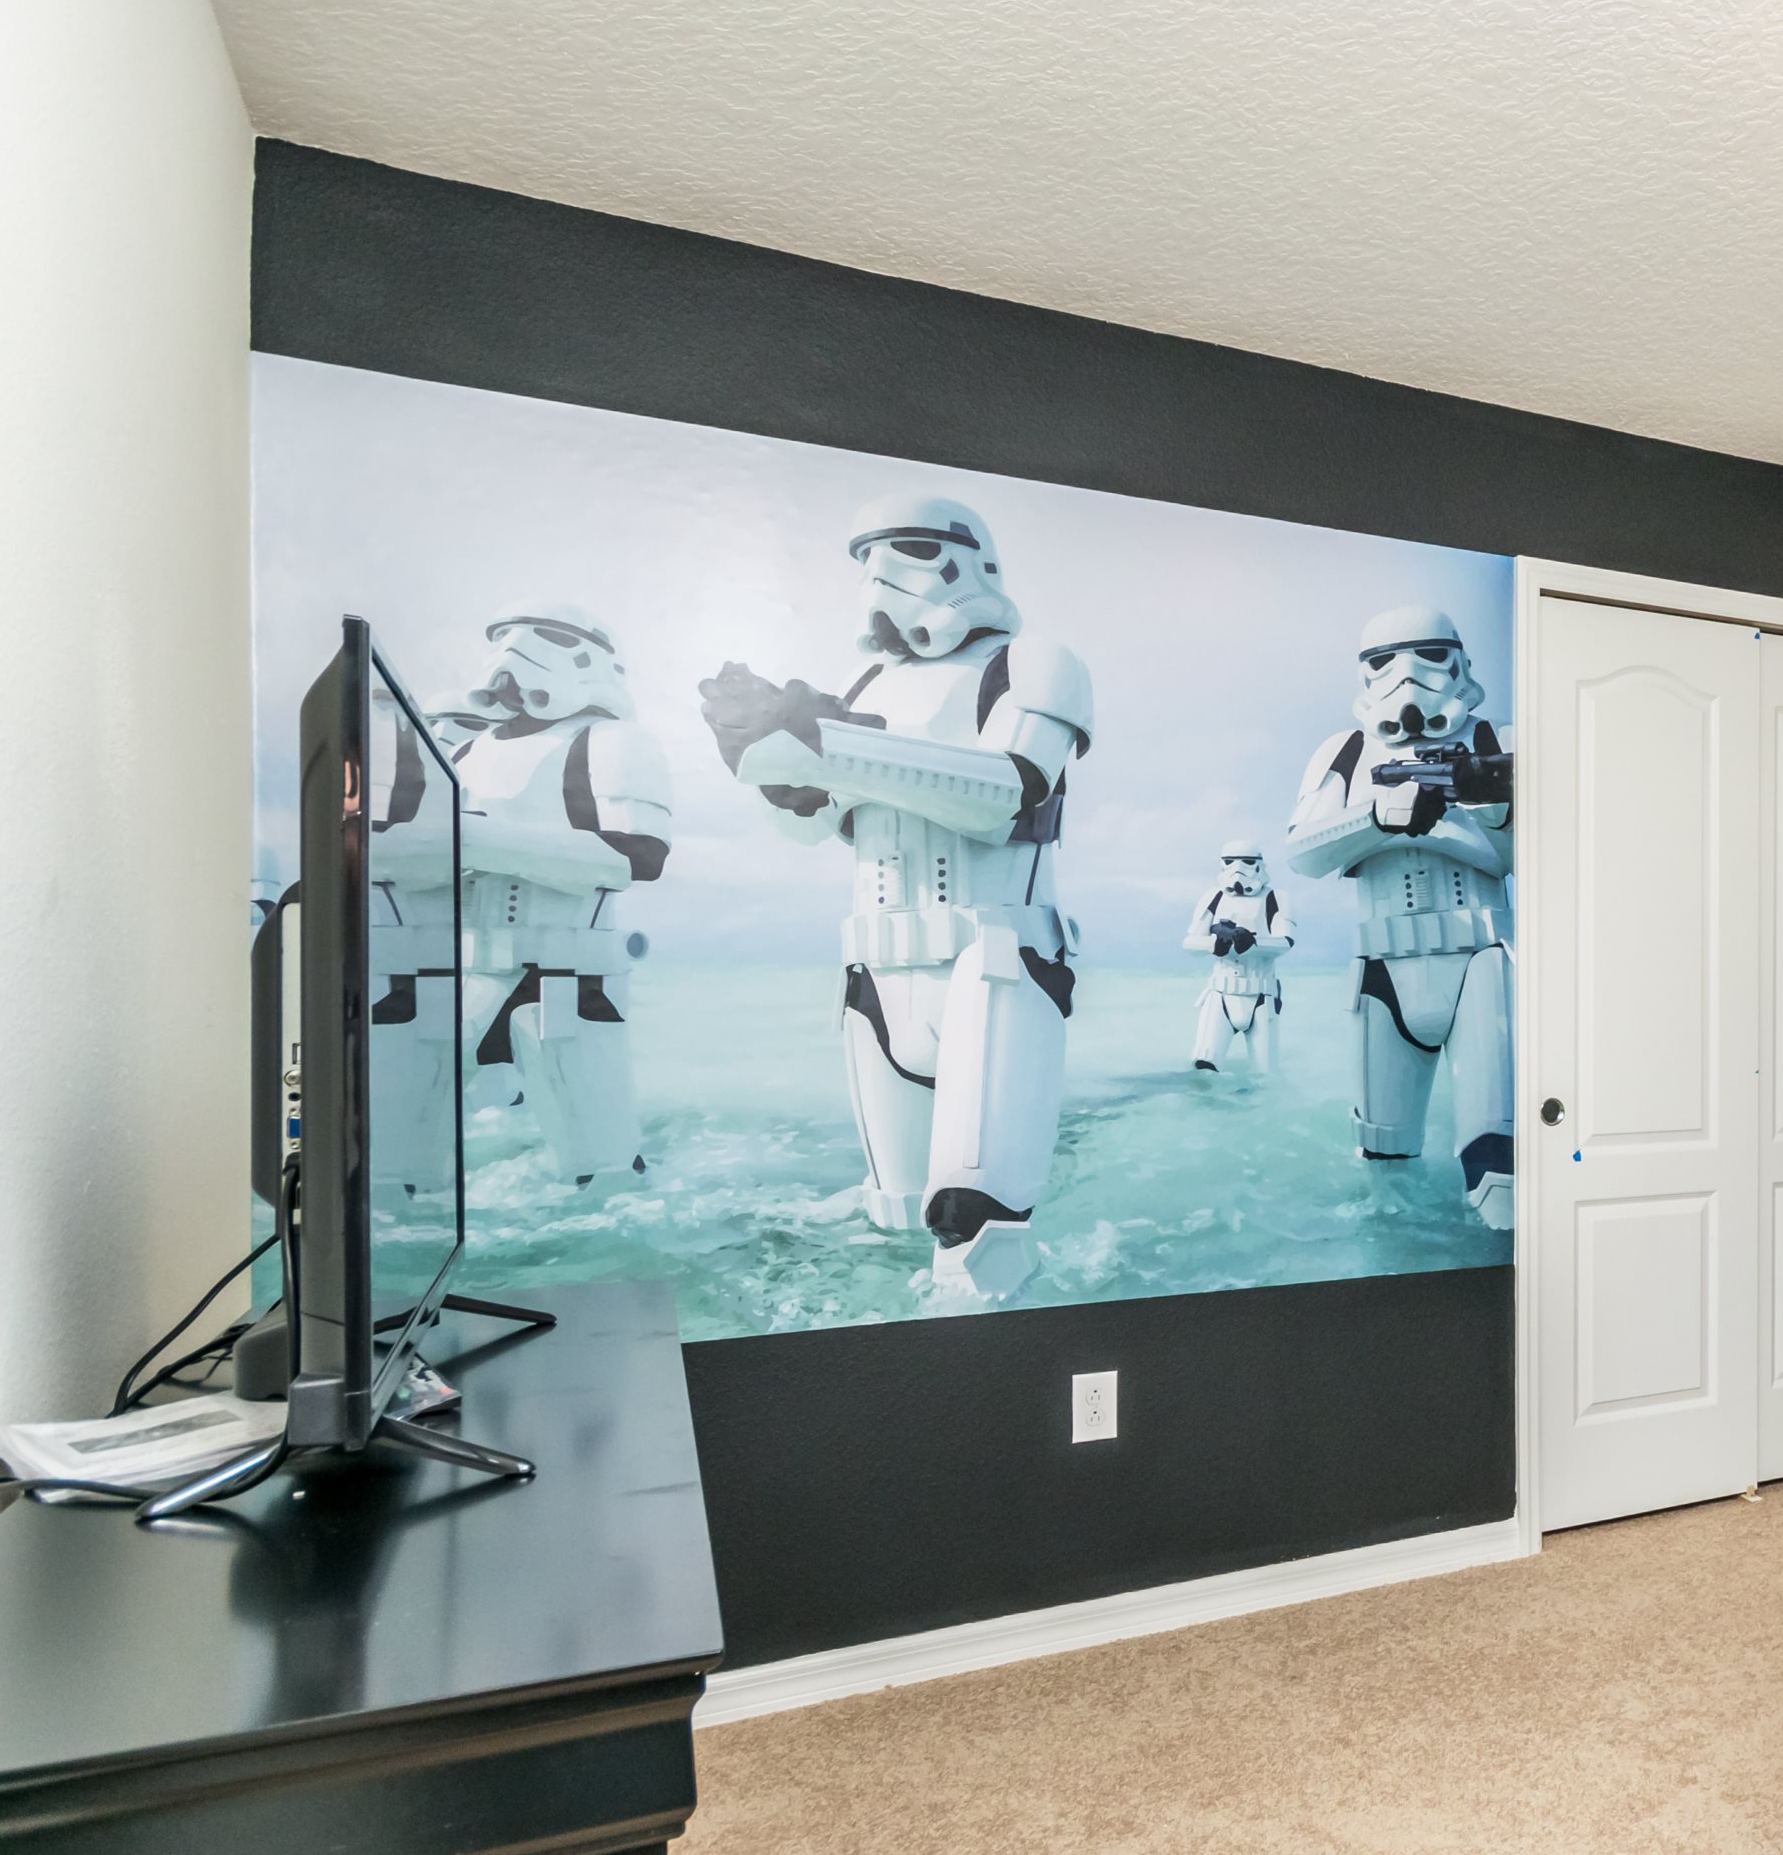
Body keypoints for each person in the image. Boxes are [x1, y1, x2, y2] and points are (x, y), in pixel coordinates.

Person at [699, 494, 1093, 1304]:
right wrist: (766, 756)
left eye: (909, 549)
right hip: (877, 982)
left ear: (974, 561)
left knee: (979, 1236)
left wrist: (832, 746)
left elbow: (1008, 793)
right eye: (867, 556)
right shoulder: (867, 681)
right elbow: (812, 828)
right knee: (888, 1224)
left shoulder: (1032, 664)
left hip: (996, 972)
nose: (882, 573)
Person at [372, 612, 673, 1189]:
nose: (514, 650)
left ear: (587, 656)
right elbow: (402, 861)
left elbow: (636, 857)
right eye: (502, 636)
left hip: (570, 980)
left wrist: (481, 840)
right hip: (458, 974)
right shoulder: (467, 753)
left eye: (544, 635)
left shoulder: (611, 742)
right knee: (397, 1168)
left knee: (602, 1168)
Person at [1287, 607, 1515, 1228]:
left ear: (1459, 661)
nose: (1407, 676)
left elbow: (1541, 859)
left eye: (1428, 655)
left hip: (1483, 964)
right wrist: (1377, 815)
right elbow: (1303, 852)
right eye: (1386, 662)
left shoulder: (1497, 741)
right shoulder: (1346, 752)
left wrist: (1487, 807)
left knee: (1498, 1165)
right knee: (1382, 1163)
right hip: (1383, 970)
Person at [1183, 841, 1293, 1072]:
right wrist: (1214, 944)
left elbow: (1285, 942)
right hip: (1220, 994)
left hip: (1261, 996)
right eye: (1230, 862)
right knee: (1203, 1066)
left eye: (1247, 862)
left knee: (1265, 1074)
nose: (1238, 869)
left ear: (1259, 865)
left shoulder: (1275, 898)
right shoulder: (1214, 897)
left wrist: (1253, 943)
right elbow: (1190, 942)